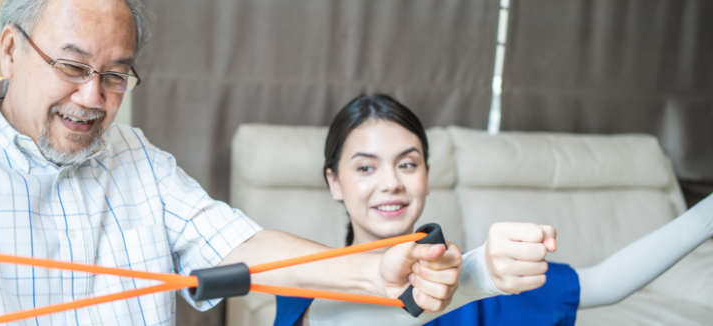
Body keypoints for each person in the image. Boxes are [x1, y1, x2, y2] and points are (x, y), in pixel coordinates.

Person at [0, 0, 466, 325]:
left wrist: (374, 269)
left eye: (117, 75)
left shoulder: (138, 159)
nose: (93, 97)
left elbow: (237, 244)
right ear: (10, 50)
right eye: (71, 67)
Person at [273, 94, 713, 326]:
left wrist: (707, 215)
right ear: (334, 181)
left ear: (427, 174)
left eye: (408, 163)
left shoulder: (485, 281)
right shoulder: (303, 286)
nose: (391, 181)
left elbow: (603, 284)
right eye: (366, 167)